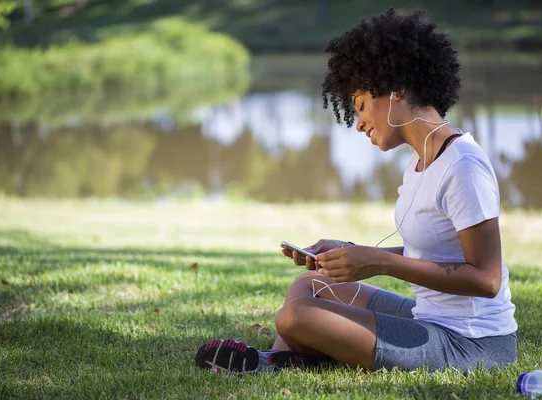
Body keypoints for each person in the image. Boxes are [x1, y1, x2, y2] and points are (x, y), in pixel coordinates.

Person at [196, 8, 517, 374]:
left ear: (395, 90)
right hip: (426, 316)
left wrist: (379, 263)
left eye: (362, 106)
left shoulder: (463, 165)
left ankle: (269, 364)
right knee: (310, 286)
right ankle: (286, 361)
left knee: (295, 316)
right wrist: (353, 254)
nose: (359, 123)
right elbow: (435, 249)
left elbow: (486, 280)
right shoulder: (420, 162)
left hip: (470, 344)